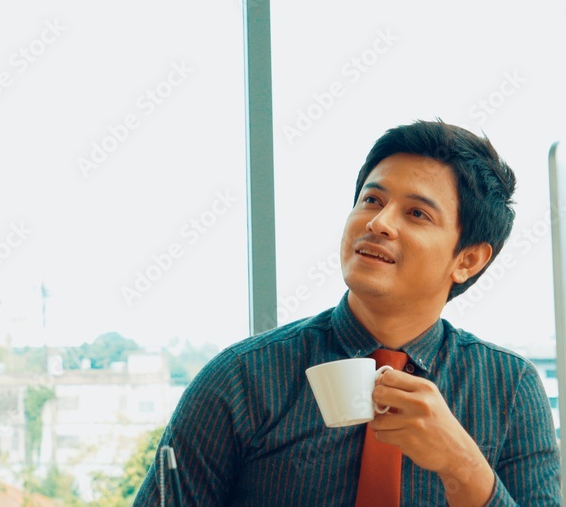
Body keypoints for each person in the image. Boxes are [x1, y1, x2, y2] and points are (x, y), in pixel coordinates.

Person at [136, 120, 560, 505]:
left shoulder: (510, 389)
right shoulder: (241, 378)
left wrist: (462, 465)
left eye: (416, 213)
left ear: (467, 260)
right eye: (372, 199)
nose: (379, 222)